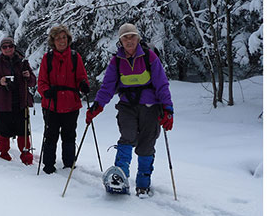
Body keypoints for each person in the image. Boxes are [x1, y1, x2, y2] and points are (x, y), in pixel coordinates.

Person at [86, 23, 174, 196]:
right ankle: (120, 177)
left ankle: (143, 183)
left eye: (132, 36)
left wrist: (168, 108)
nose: (129, 40)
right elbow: (108, 86)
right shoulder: (117, 61)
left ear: (138, 38)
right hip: (127, 106)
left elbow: (161, 84)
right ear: (120, 41)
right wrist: (98, 105)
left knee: (147, 143)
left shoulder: (149, 57)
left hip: (150, 106)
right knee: (127, 136)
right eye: (125, 37)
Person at [37, 25, 90, 174]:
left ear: (68, 39)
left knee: (69, 135)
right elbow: (41, 81)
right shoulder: (47, 58)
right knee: (50, 135)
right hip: (51, 104)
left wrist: (83, 85)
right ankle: (48, 165)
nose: (61, 41)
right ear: (53, 41)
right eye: (58, 38)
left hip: (71, 104)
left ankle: (69, 164)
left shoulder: (75, 57)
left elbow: (81, 77)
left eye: (64, 38)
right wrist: (46, 92)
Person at [0, 37, 36, 165]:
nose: (8, 49)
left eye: (10, 46)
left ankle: (26, 157)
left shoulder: (23, 63)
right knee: (3, 132)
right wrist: (0, 82)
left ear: (14, 47)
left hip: (20, 103)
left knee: (23, 132)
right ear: (1, 49)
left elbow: (32, 82)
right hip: (3, 104)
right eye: (4, 47)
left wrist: (28, 76)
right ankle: (4, 156)